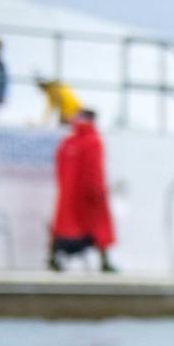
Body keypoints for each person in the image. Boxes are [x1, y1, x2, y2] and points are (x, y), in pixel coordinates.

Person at [48, 109, 116, 272]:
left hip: (68, 195)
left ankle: (53, 258)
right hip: (89, 196)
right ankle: (104, 262)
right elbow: (95, 169)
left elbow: (59, 169)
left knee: (63, 227)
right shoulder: (93, 141)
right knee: (99, 228)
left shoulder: (68, 142)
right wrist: (97, 191)